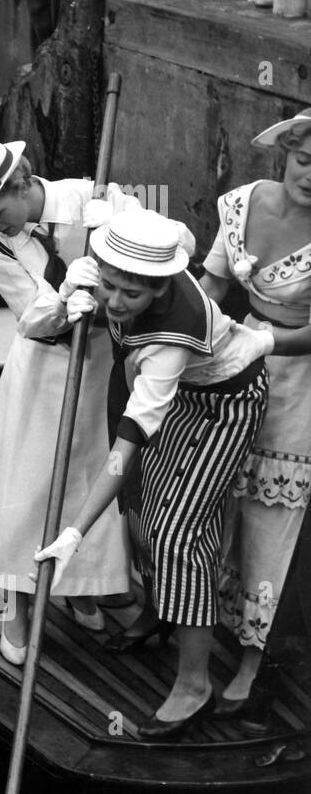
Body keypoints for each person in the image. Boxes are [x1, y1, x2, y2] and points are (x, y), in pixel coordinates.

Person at [36, 211, 302, 738]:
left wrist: (74, 531)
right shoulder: (132, 251)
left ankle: (194, 684)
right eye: (109, 285)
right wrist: (75, 289)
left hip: (225, 404)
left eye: (130, 295)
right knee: (152, 510)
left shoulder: (171, 341)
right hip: (184, 394)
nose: (114, 302)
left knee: (180, 533)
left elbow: (125, 447)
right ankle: (163, 609)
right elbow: (126, 223)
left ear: (158, 290)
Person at [0, 140, 139, 662]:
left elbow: (167, 246)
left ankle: (78, 587)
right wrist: (63, 292)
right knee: (30, 486)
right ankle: (16, 603)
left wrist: (124, 219)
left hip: (99, 368)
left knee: (87, 481)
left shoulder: (87, 200)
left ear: (23, 185)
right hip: (42, 371)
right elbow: (30, 319)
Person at [200, 109, 311, 713]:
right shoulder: (242, 204)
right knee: (219, 490)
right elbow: (212, 287)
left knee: (273, 513)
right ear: (286, 155)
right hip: (238, 358)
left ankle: (253, 658)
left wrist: (263, 341)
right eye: (305, 160)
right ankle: (205, 619)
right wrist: (182, 342)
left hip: (299, 376)